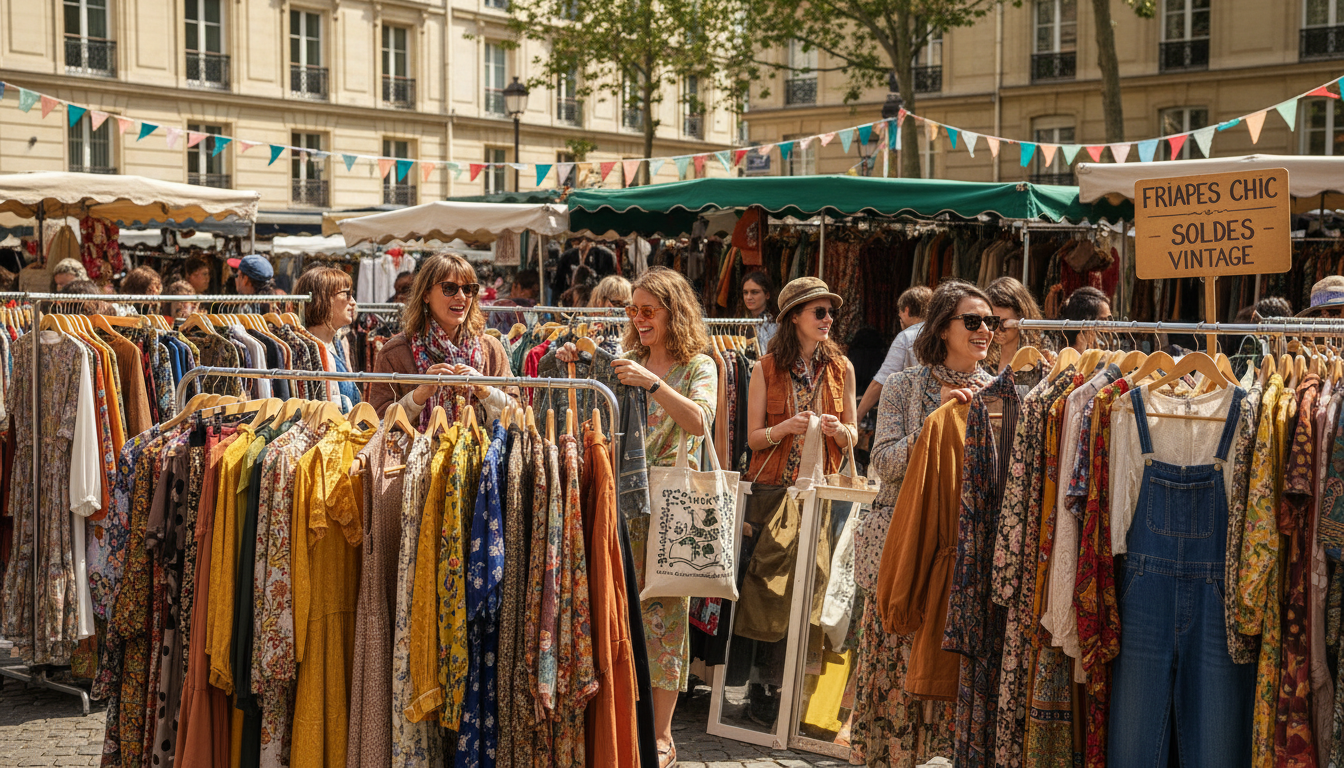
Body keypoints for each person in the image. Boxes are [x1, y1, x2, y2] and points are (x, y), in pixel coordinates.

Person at [556, 265, 716, 767]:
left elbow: (699, 420)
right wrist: (574, 363)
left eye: (648, 311)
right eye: (633, 311)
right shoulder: (624, 359)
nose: (638, 320)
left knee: (666, 621)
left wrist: (653, 384)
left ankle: (663, 736)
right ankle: (619, 719)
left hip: (674, 511)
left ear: (674, 311)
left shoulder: (699, 365)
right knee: (617, 612)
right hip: (621, 505)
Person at [853, 279, 998, 767]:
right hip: (903, 547)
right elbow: (886, 462)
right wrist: (935, 422)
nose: (985, 331)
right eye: (973, 321)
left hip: (962, 554)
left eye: (990, 322)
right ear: (942, 327)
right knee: (893, 662)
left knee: (946, 671)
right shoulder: (903, 386)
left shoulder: (1001, 393)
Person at [368, 252, 515, 424]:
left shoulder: (491, 348)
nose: (461, 296)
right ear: (426, 294)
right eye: (449, 288)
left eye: (468, 289)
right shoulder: (395, 352)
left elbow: (517, 414)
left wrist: (485, 390)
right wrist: (419, 395)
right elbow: (377, 423)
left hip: (481, 450)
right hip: (419, 450)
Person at [857, 285, 931, 423]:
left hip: (915, 419)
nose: (899, 316)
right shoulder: (945, 334)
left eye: (900, 312)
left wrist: (857, 416)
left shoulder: (907, 337)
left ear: (907, 309)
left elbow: (881, 381)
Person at [295, 266, 361, 409]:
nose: (353, 302)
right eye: (346, 294)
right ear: (323, 298)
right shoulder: (305, 354)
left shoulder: (338, 344)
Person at [985, 276, 1050, 374]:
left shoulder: (1041, 350)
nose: (997, 329)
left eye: (1004, 324)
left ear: (1020, 316)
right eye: (992, 322)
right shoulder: (983, 352)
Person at [551, 237, 617, 300]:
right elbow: (559, 283)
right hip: (574, 300)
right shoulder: (568, 256)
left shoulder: (605, 256)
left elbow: (610, 282)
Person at [1059, 285, 1111, 352]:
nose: (1108, 325)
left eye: (1109, 319)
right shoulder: (1066, 359)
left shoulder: (1104, 352)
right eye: (1102, 321)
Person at [741, 271, 778, 351]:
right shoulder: (741, 324)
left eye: (754, 292)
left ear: (767, 295)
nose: (748, 297)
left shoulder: (775, 324)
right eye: (745, 293)